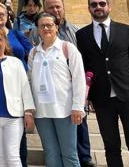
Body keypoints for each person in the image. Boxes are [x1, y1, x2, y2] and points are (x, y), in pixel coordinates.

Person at [76, 0, 129, 167]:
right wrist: (86, 95)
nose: (98, 7)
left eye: (102, 4)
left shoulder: (126, 30)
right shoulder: (81, 35)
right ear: (89, 8)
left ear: (109, 7)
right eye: (94, 4)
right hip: (102, 99)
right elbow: (83, 68)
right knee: (111, 147)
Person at [28, 13, 86, 167]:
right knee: (50, 152)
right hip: (41, 112)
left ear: (56, 28)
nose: (46, 28)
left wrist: (78, 107)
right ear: (38, 30)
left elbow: (79, 78)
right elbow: (29, 81)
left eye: (49, 25)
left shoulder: (67, 48)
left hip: (65, 110)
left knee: (69, 154)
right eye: (42, 26)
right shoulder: (33, 52)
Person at [43, 0, 95, 167]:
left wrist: (86, 90)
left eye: (58, 7)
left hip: (76, 84)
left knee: (80, 122)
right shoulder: (42, 32)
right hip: (54, 88)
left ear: (63, 8)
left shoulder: (76, 31)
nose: (55, 10)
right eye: (51, 8)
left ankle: (85, 156)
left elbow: (84, 61)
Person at [0, 2, 33, 166]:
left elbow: (32, 54)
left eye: (1, 14)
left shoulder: (16, 34)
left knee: (15, 153)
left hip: (16, 95)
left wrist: (28, 110)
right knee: (1, 156)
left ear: (7, 16)